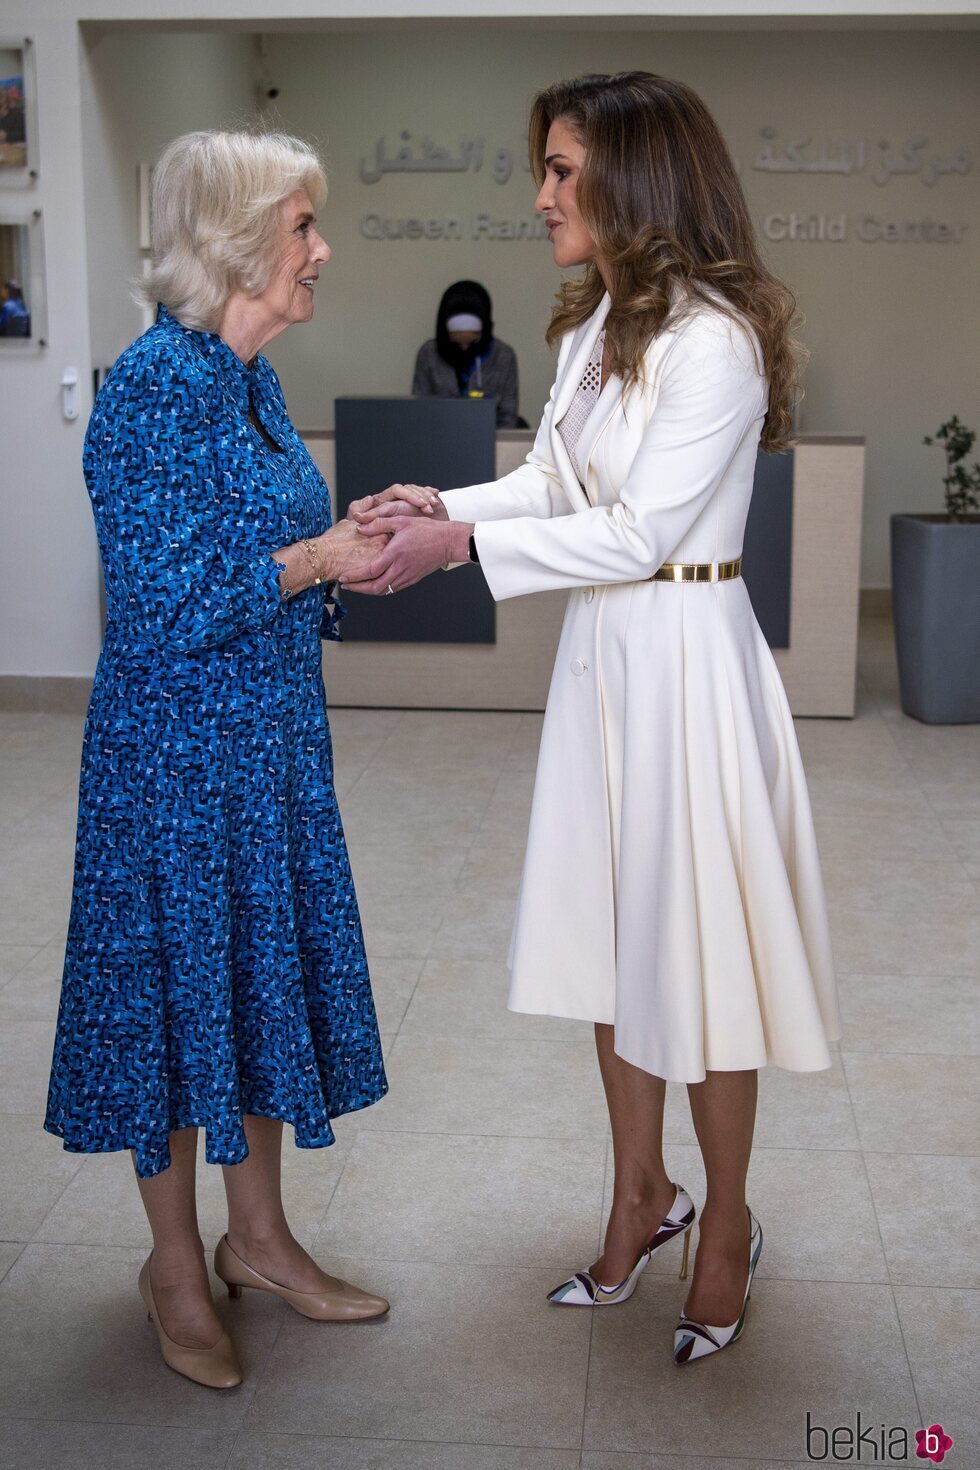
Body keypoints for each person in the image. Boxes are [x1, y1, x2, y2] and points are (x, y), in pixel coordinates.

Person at [345, 72, 842, 1365]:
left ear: (637, 178)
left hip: (687, 655)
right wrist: (440, 501)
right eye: (547, 169)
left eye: (564, 171)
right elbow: (554, 483)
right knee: (615, 948)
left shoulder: (715, 341)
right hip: (607, 664)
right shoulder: (596, 327)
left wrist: (457, 546)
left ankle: (725, 1220)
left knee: (700, 958)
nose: (542, 196)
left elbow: (640, 530)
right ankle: (642, 1192)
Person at [43, 129, 423, 1390]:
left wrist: (344, 546)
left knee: (256, 983)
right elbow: (159, 604)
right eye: (304, 225)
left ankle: (259, 1240)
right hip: (172, 759)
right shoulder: (152, 386)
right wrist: (314, 560)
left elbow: (265, 564)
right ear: (235, 242)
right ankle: (173, 1266)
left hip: (266, 745)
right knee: (167, 1002)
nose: (322, 249)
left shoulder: (249, 383)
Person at [412, 279, 522, 427]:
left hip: (488, 440)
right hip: (437, 437)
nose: (464, 348)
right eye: (457, 343)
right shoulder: (429, 354)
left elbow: (508, 417)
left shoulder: (503, 356)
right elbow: (419, 410)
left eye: (471, 342)